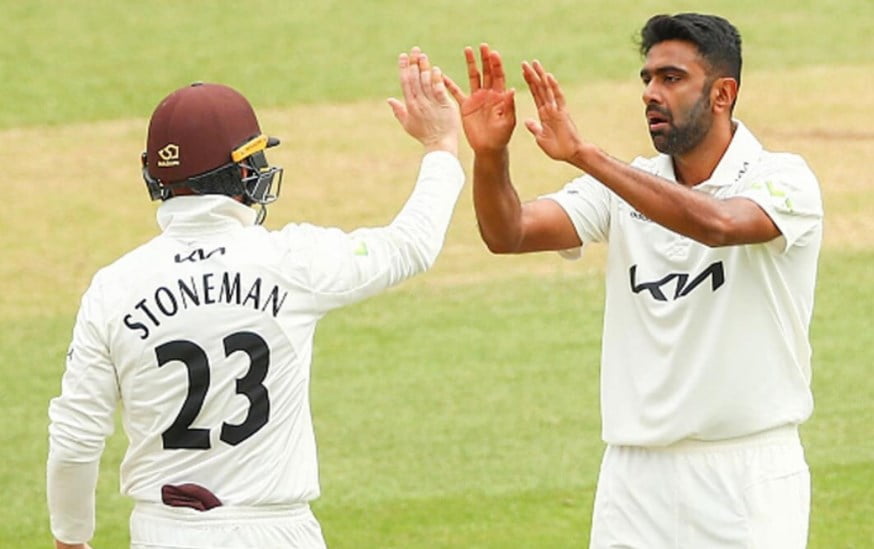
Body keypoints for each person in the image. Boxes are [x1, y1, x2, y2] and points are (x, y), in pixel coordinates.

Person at [46, 47, 463, 549]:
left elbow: (75, 440)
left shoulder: (112, 288)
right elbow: (411, 245)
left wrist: (71, 539)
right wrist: (441, 145)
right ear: (244, 173)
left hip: (164, 533)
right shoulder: (291, 260)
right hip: (277, 531)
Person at [444, 13, 822, 548]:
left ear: (722, 93)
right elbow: (510, 233)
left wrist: (585, 155)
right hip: (634, 481)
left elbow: (719, 225)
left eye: (671, 78)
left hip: (746, 476)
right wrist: (490, 155)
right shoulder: (625, 186)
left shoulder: (783, 178)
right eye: (647, 78)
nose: (650, 93)